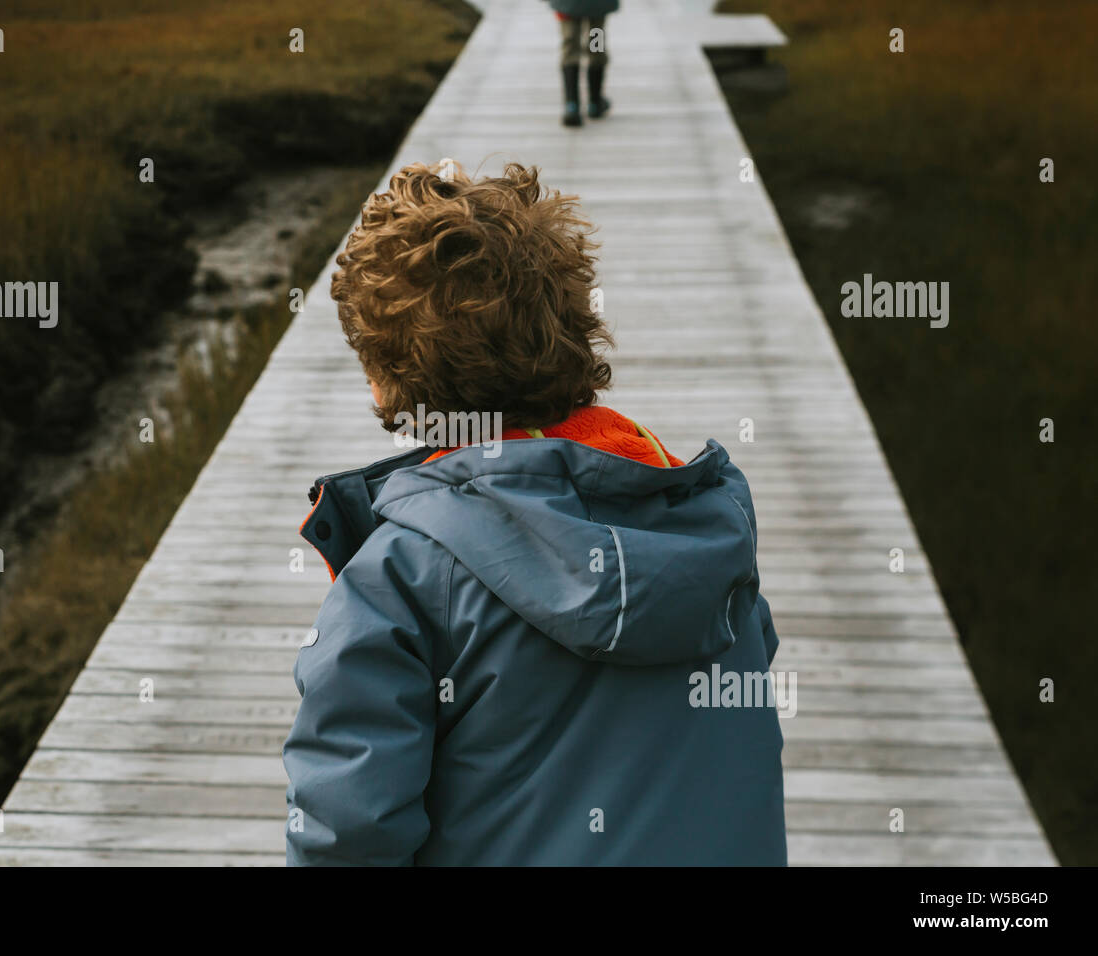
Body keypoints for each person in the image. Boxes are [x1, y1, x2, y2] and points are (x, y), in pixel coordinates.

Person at [284, 161, 786, 866]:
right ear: (578, 321)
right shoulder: (709, 519)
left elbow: (348, 835)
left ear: (384, 382)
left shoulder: (399, 580)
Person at [548, 0, 619, 126]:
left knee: (570, 45)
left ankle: (572, 105)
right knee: (596, 42)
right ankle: (594, 102)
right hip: (597, 5)